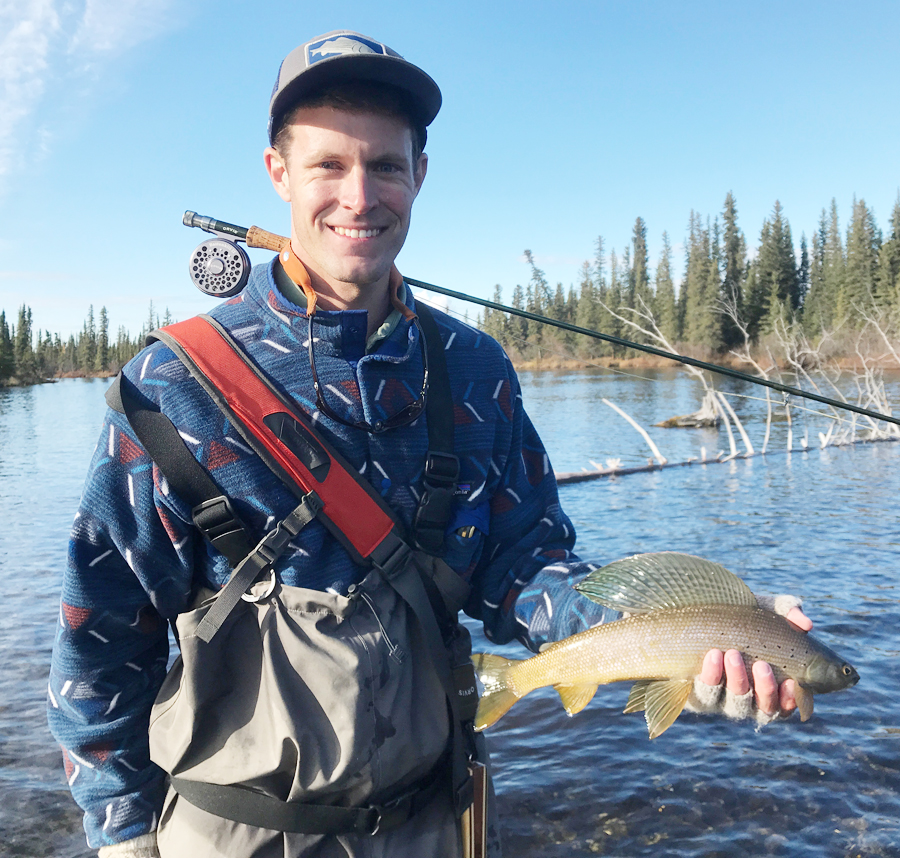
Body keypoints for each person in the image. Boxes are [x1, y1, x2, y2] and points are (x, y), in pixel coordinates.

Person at [48, 30, 812, 858]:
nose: (359, 195)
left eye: (384, 165)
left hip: (431, 824)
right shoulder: (171, 385)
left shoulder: (474, 369)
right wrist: (122, 835)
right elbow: (102, 638)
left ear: (419, 173)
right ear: (278, 173)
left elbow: (526, 570)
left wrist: (681, 637)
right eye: (328, 166)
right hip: (230, 835)